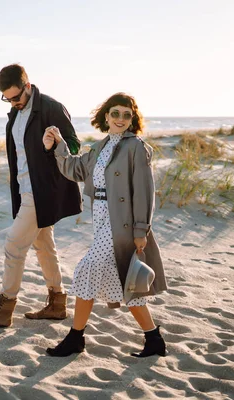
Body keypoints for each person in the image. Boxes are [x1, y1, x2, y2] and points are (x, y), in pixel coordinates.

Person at [42, 92, 168, 357]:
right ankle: (154, 339)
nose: (120, 119)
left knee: (87, 270)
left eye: (126, 115)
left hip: (121, 222)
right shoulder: (101, 147)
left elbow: (144, 192)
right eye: (115, 113)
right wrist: (59, 145)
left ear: (132, 119)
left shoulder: (136, 147)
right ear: (106, 116)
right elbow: (75, 170)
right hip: (100, 218)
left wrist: (140, 230)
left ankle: (75, 338)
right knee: (127, 283)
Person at [0, 64, 83, 328]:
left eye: (16, 97)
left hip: (42, 190)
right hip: (23, 189)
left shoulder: (51, 107)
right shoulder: (14, 114)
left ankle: (5, 308)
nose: (13, 103)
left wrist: (54, 144)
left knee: (13, 245)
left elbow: (75, 144)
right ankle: (57, 302)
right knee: (43, 245)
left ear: (27, 86)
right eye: (7, 99)